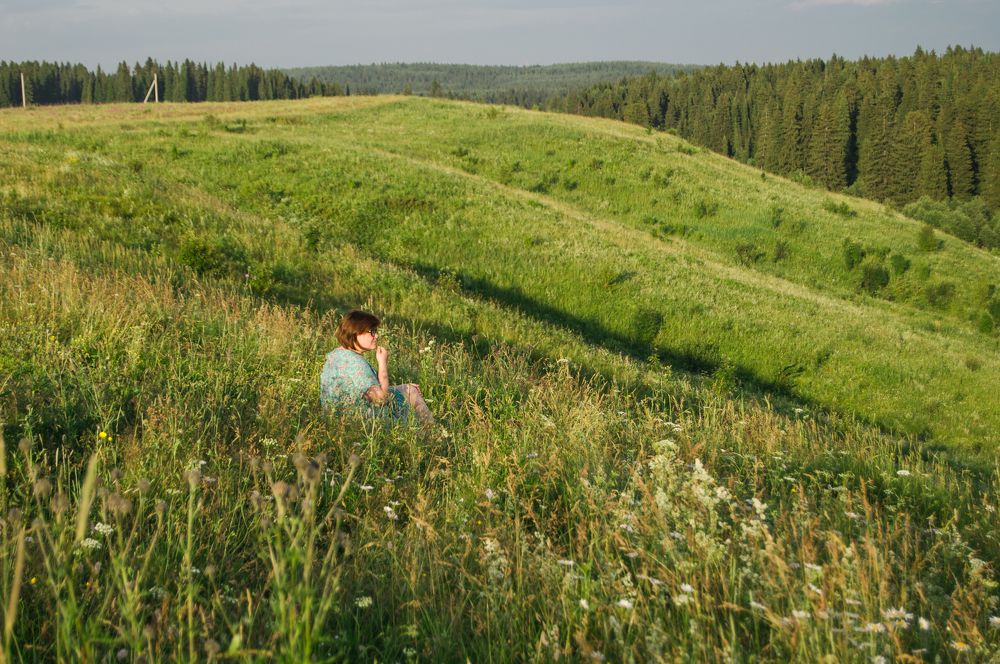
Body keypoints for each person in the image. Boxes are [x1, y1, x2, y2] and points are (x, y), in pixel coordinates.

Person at [320, 309, 434, 425]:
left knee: (408, 390)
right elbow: (380, 400)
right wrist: (382, 363)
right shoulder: (357, 363)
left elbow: (361, 390)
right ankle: (432, 434)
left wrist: (403, 388)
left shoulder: (336, 355)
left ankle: (431, 432)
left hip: (336, 417)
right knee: (410, 394)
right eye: (372, 332)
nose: (377, 335)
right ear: (356, 333)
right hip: (363, 422)